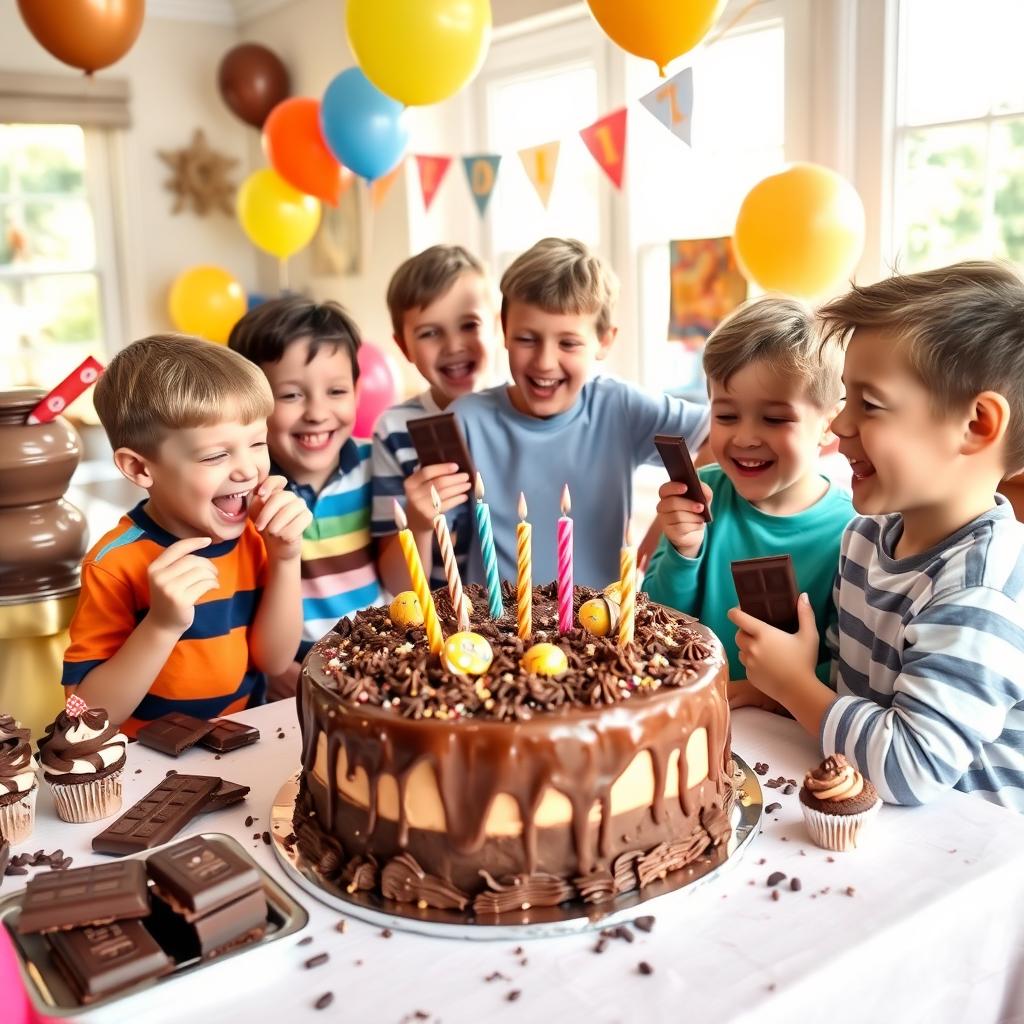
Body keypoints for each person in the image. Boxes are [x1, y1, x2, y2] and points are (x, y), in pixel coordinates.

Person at [730, 262, 1024, 811]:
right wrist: (773, 690)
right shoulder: (865, 537)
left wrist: (794, 685)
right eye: (846, 398)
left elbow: (909, 767)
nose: (840, 426)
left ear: (977, 425)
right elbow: (850, 691)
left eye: (870, 404)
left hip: (970, 855)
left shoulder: (981, 590)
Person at [61, 335, 312, 734]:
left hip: (244, 740)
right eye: (215, 455)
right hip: (150, 770)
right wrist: (161, 625)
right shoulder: (113, 563)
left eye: (257, 443)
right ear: (140, 468)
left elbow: (274, 662)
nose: (247, 470)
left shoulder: (252, 535)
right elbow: (82, 713)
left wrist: (284, 558)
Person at [449, 237, 709, 588]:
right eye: (527, 338)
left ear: (604, 341)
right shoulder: (465, 421)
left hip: (601, 629)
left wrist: (666, 524)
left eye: (568, 343)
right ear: (504, 330)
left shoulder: (620, 407)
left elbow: (716, 431)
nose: (544, 361)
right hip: (496, 631)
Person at [642, 297, 853, 702]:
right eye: (726, 416)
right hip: (692, 719)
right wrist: (685, 552)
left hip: (791, 743)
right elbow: (658, 625)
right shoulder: (701, 495)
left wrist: (755, 692)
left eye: (774, 418)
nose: (744, 438)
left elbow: (851, 668)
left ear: (829, 425)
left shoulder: (852, 534)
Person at [229, 297, 382, 697]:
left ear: (357, 390)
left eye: (336, 391)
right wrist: (275, 669)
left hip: (375, 649)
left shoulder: (378, 467)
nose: (317, 412)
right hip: (288, 663)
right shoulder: (241, 494)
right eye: (292, 395)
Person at [371, 244, 498, 596]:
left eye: (469, 324)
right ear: (404, 347)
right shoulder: (394, 430)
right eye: (430, 332)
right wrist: (418, 521)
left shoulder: (522, 415)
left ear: (498, 326)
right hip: (444, 624)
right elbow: (400, 588)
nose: (454, 345)